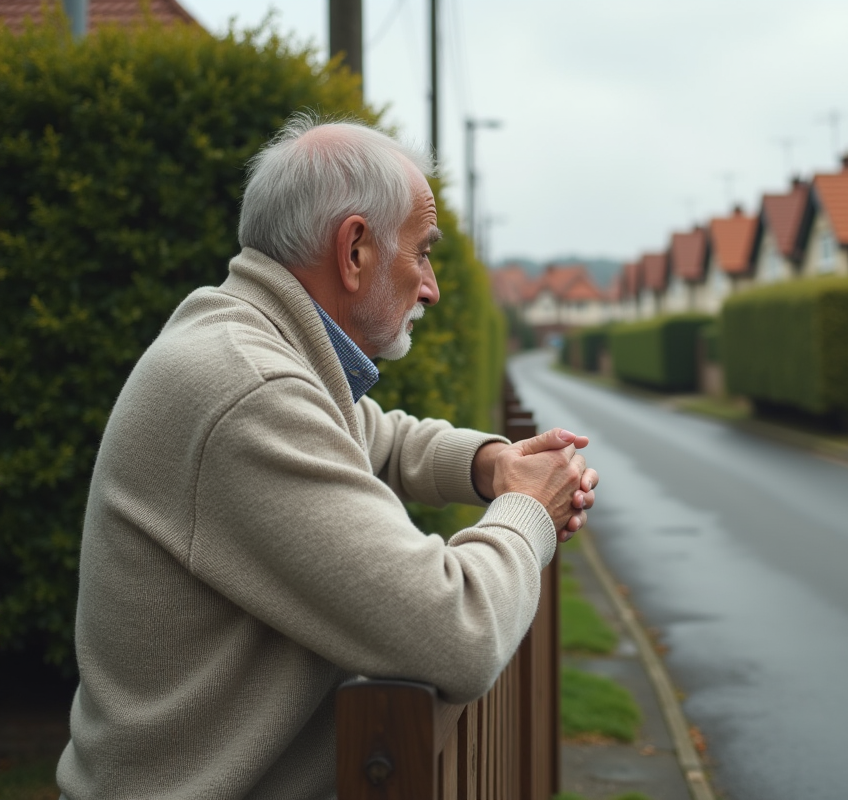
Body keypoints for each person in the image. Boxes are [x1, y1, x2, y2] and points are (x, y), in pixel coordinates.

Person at [56, 114, 598, 799]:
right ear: (354, 250)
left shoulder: (251, 340)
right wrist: (529, 512)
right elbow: (455, 628)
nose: (430, 286)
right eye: (422, 252)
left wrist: (492, 464)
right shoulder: (248, 389)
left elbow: (375, 434)